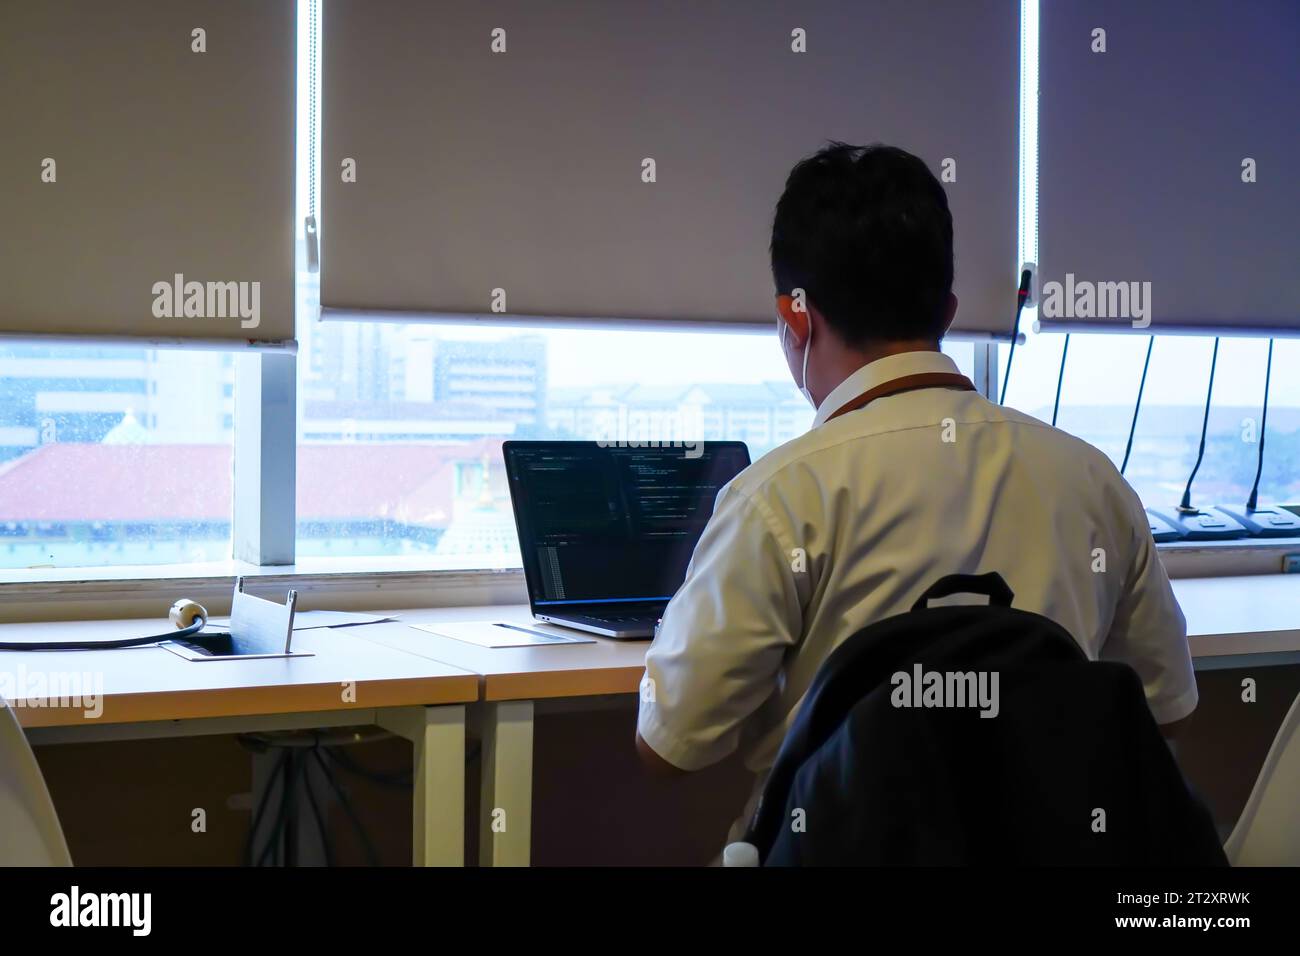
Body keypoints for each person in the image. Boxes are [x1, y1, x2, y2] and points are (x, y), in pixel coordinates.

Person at [634, 142, 1197, 843]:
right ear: (950, 309)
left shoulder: (777, 499)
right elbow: (1166, 708)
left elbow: (670, 747)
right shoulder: (1093, 482)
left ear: (797, 317)